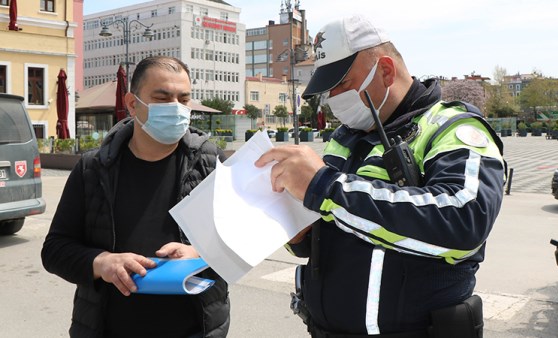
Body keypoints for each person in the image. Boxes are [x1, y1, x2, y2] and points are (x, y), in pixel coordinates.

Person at [255, 15, 505, 338]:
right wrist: (299, 235)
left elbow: (465, 220)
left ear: (386, 71)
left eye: (341, 83)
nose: (332, 98)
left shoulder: (453, 128)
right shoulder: (344, 138)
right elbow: (334, 226)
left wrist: (325, 187)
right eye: (327, 89)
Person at [42, 56, 230, 338]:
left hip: (196, 329)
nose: (176, 108)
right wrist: (101, 262)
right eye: (163, 97)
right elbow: (55, 249)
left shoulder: (211, 163)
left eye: (184, 99)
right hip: (108, 329)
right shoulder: (93, 169)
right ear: (132, 103)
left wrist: (200, 255)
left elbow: (240, 239)